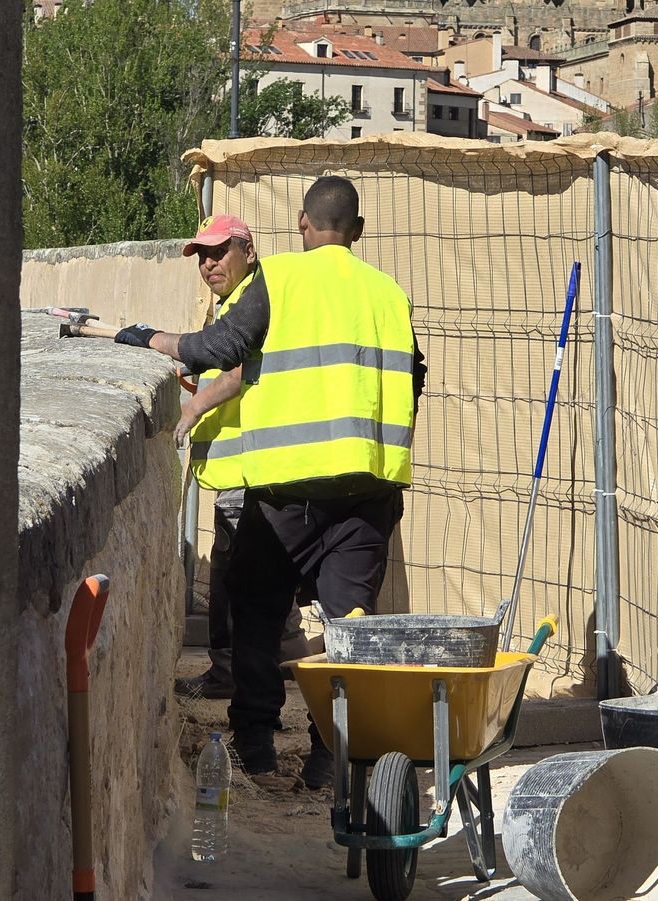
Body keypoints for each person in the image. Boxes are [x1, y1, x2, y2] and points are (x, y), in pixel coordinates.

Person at [115, 177, 424, 788]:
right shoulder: (388, 293)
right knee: (350, 630)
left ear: (303, 226)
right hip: (368, 493)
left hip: (283, 494)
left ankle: (255, 749)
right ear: (356, 232)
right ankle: (329, 761)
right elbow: (413, 378)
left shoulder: (278, 279)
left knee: (257, 617)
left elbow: (221, 346)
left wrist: (142, 338)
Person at [171, 214, 310, 700]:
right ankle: (285, 656)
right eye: (202, 256)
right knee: (267, 569)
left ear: (247, 252)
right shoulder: (236, 302)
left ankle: (229, 673)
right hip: (247, 468)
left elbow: (239, 373)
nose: (209, 264)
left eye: (219, 252)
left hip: (250, 466)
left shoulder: (256, 301)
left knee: (236, 578)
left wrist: (193, 407)